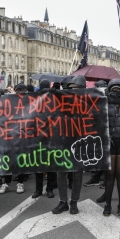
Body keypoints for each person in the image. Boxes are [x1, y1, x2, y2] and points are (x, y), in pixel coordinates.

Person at [95, 79, 120, 216]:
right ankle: (107, 205)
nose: (116, 92)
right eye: (114, 89)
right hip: (109, 144)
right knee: (109, 175)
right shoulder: (102, 104)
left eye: (119, 90)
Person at [52, 75, 86, 215]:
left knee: (77, 174)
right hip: (63, 142)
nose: (74, 91)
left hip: (79, 143)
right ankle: (63, 201)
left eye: (77, 89)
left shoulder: (89, 102)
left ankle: (74, 202)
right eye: (72, 88)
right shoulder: (60, 101)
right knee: (61, 173)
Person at [0, 83, 29, 194]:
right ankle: (5, 183)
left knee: (21, 160)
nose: (19, 91)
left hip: (22, 135)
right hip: (10, 135)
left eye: (22, 90)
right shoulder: (9, 100)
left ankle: (20, 183)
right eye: (18, 89)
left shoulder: (30, 101)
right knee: (8, 160)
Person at [32, 80, 57, 198]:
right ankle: (47, 189)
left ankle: (43, 189)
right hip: (41, 135)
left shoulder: (54, 97)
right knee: (42, 165)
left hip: (48, 135)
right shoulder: (35, 98)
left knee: (44, 165)